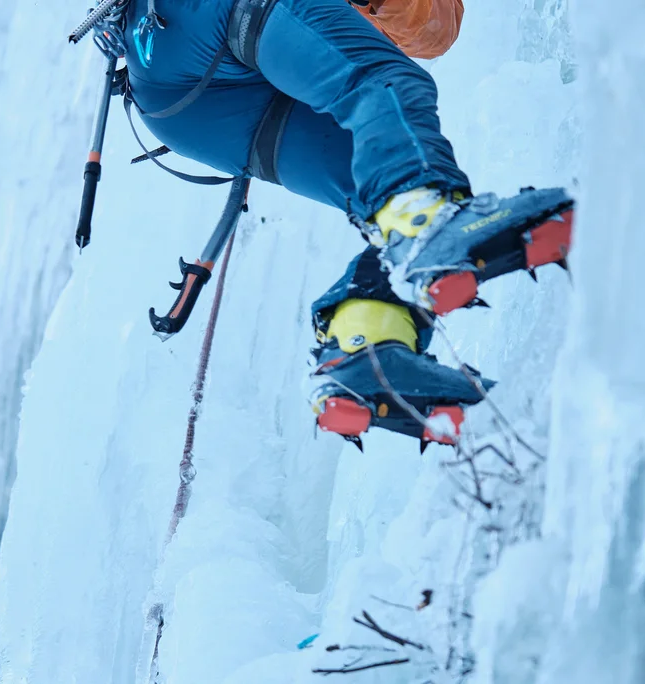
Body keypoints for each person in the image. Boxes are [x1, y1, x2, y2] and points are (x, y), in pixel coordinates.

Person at [119, 0, 574, 449]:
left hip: (173, 95)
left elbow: (433, 32)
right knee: (385, 88)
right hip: (211, 20)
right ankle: (426, 227)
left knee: (385, 183)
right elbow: (426, 38)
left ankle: (364, 344)